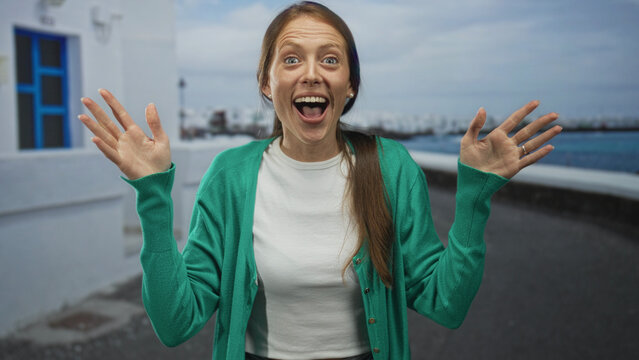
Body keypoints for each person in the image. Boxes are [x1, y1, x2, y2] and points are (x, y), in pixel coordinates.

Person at [78, 2, 562, 359]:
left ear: (350, 83)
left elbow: (446, 303)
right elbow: (174, 322)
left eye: (330, 60)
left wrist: (475, 195)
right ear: (267, 84)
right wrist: (153, 196)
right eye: (291, 59)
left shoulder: (390, 167)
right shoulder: (230, 176)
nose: (311, 74)